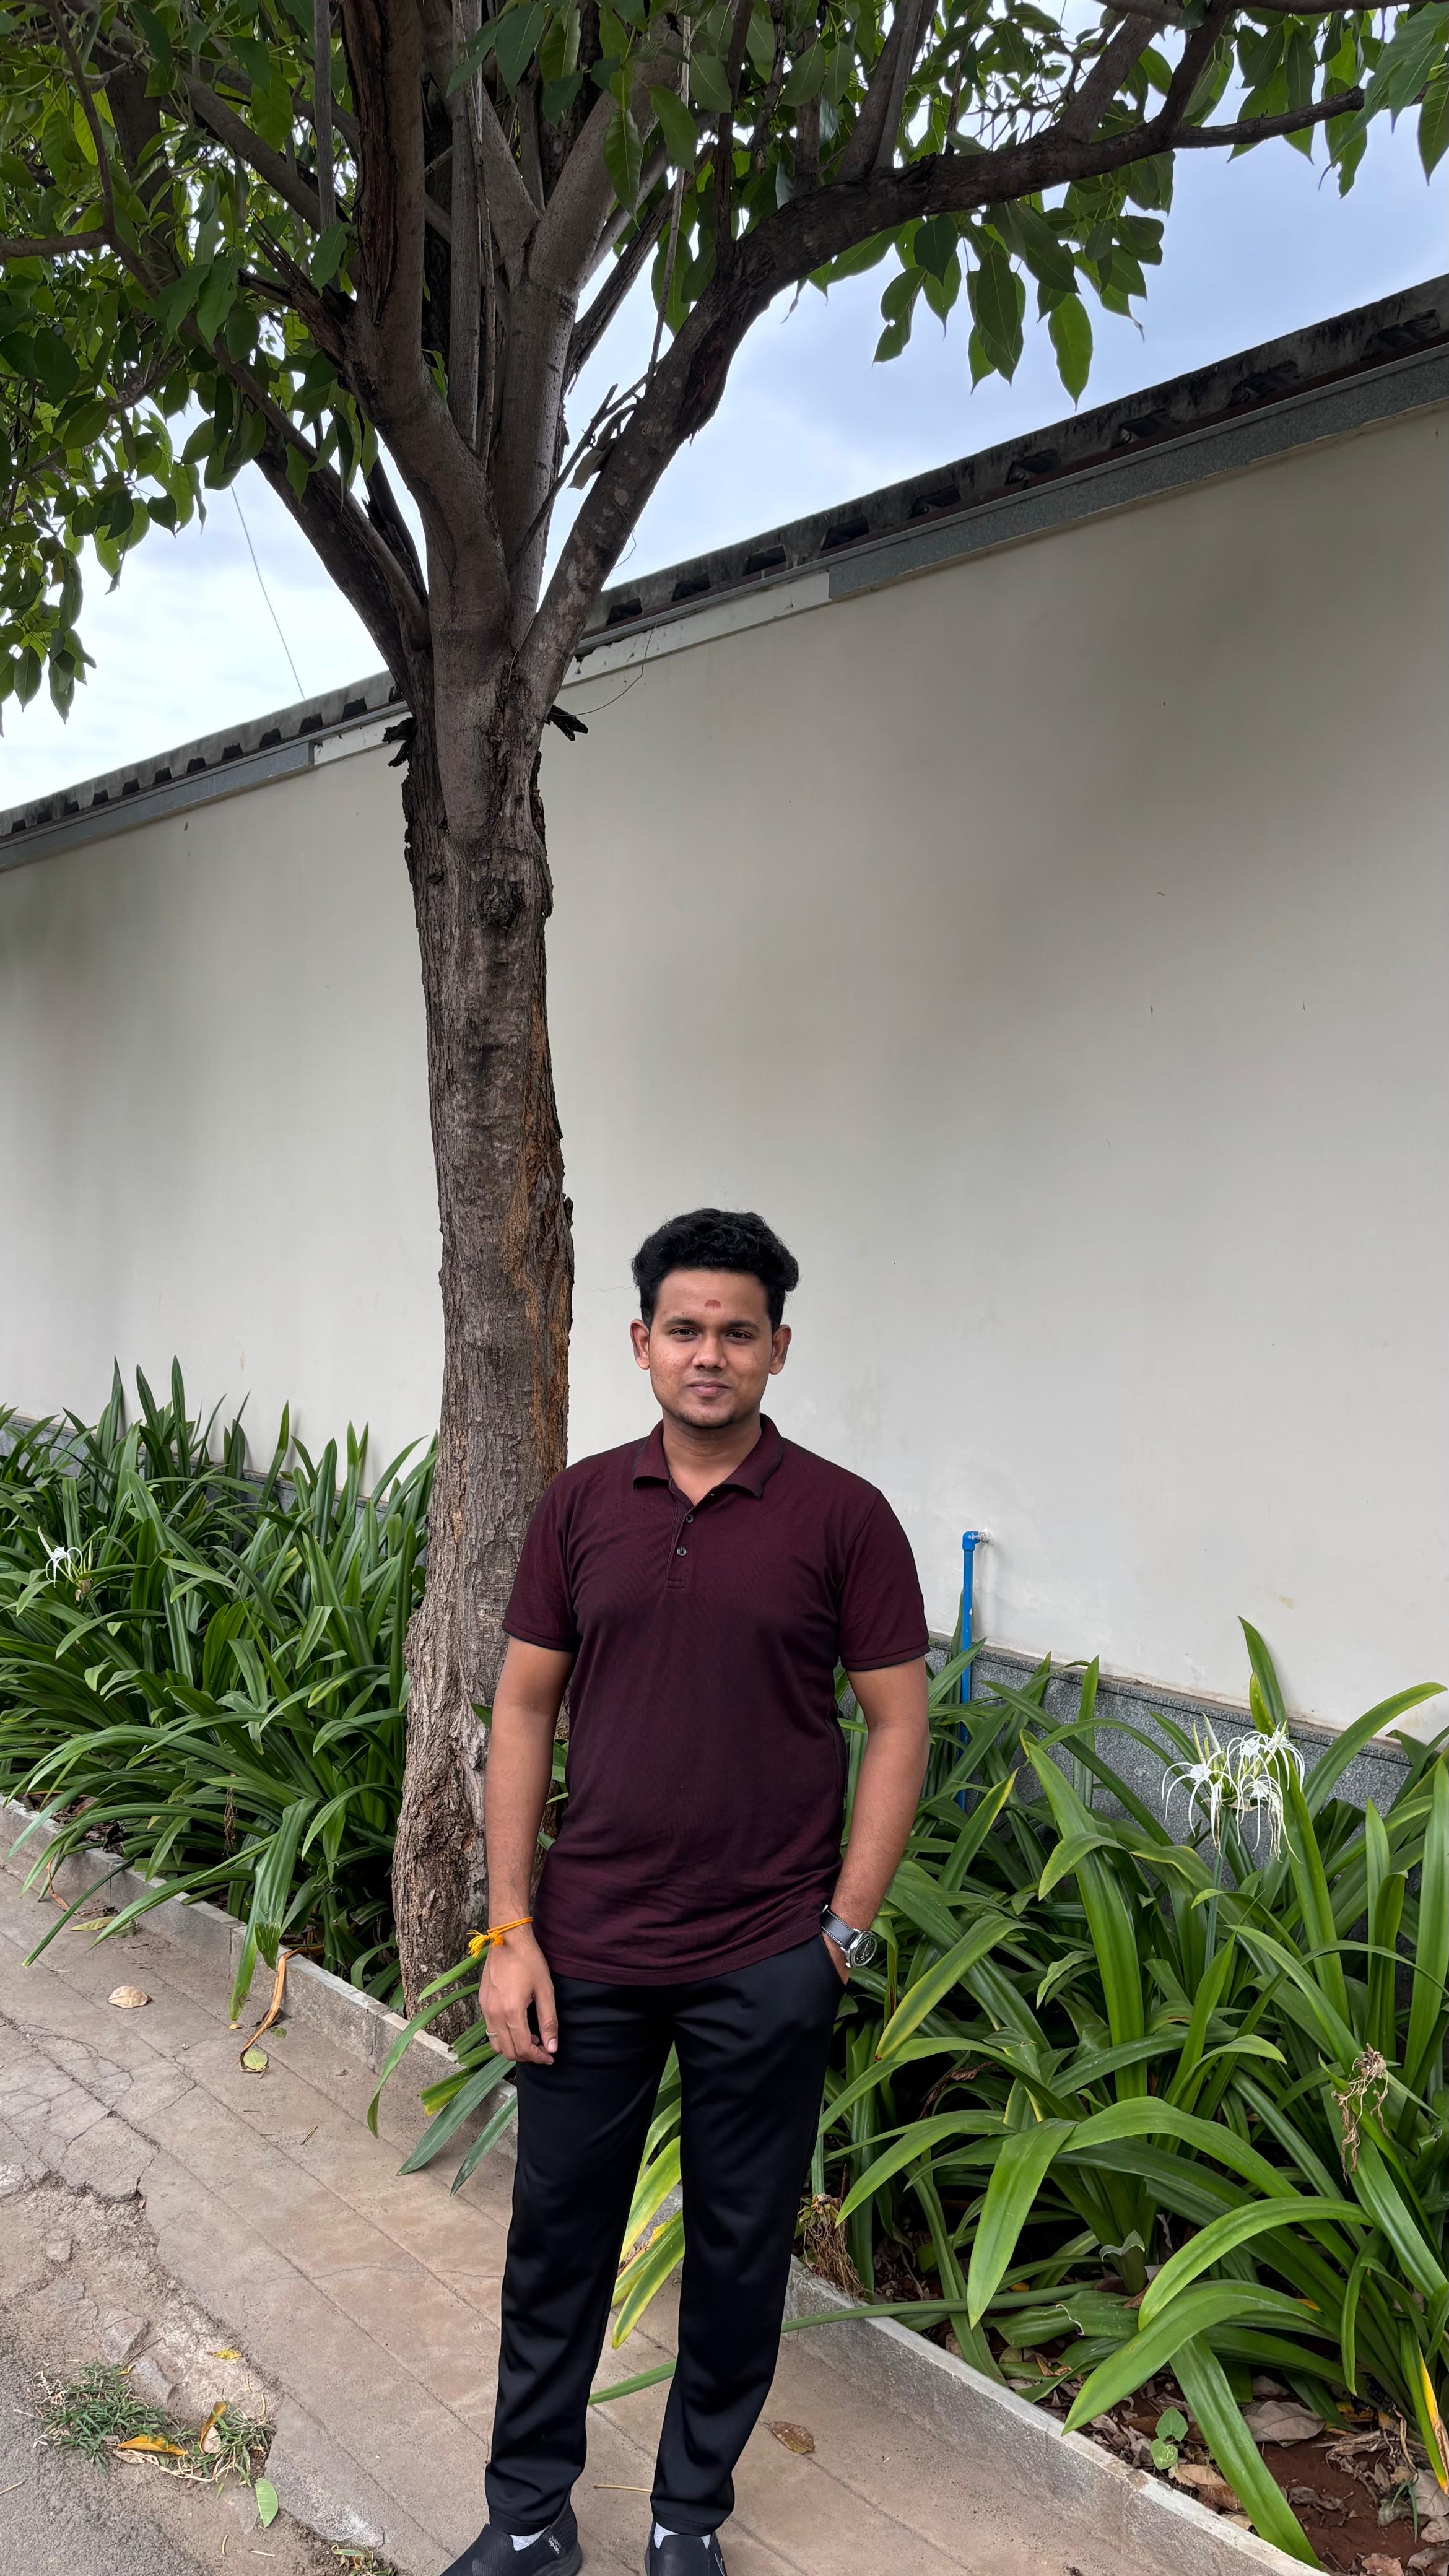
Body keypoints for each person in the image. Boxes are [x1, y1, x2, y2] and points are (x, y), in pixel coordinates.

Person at [441, 1209, 929, 2576]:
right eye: (685, 1329)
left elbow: (899, 1724)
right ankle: (529, 2517)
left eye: (737, 1332)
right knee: (556, 2242)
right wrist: (510, 1928)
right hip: (587, 1947)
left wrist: (840, 1935)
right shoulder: (581, 1505)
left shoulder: (845, 1518)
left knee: (736, 2250)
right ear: (641, 1342)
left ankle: (686, 2515)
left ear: (779, 1348)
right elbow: (523, 1707)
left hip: (767, 1958)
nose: (709, 1354)